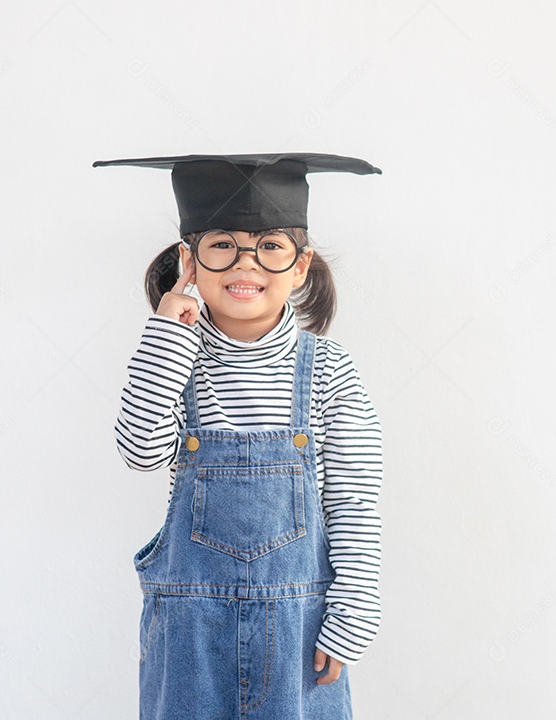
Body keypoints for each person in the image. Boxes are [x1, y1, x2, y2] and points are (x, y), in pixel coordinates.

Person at [97, 153, 384, 719]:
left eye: (270, 247)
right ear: (189, 259)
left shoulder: (328, 369)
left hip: (301, 630)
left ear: (301, 267)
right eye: (221, 245)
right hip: (189, 637)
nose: (244, 264)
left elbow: (355, 496)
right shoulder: (174, 361)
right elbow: (139, 449)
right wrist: (168, 334)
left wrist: (353, 611)